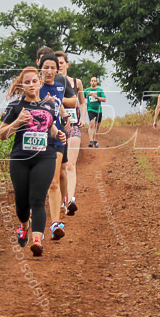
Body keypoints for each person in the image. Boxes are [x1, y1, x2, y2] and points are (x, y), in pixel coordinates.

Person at [0, 67, 66, 256]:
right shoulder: (15, 107)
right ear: (22, 85)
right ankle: (24, 225)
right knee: (21, 202)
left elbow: (50, 128)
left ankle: (37, 241)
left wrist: (58, 134)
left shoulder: (49, 106)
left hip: (45, 157)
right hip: (20, 158)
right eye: (27, 82)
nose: (31, 85)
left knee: (37, 199)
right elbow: (3, 134)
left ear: (40, 83)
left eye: (34, 81)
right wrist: (18, 121)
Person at [38, 54, 69, 241]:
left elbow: (58, 106)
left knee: (54, 182)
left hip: (57, 138)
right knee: (38, 182)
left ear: (57, 70)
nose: (49, 71)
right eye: (46, 67)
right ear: (40, 68)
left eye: (53, 68)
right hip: (38, 138)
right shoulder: (35, 87)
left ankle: (55, 224)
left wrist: (65, 116)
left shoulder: (59, 86)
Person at [56, 52, 87, 216]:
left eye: (62, 62)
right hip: (56, 127)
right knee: (59, 168)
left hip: (73, 124)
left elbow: (81, 102)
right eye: (57, 63)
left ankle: (70, 200)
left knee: (70, 164)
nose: (59, 65)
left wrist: (83, 117)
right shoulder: (50, 84)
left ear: (67, 64)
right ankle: (61, 198)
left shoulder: (76, 82)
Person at [83, 77, 106, 148]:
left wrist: (97, 97)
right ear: (90, 82)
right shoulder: (86, 90)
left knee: (97, 126)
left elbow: (104, 99)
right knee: (91, 123)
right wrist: (84, 104)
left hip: (98, 110)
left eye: (95, 81)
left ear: (96, 82)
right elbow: (81, 98)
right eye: (92, 81)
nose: (93, 82)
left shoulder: (99, 90)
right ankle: (90, 141)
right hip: (90, 109)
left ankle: (95, 140)